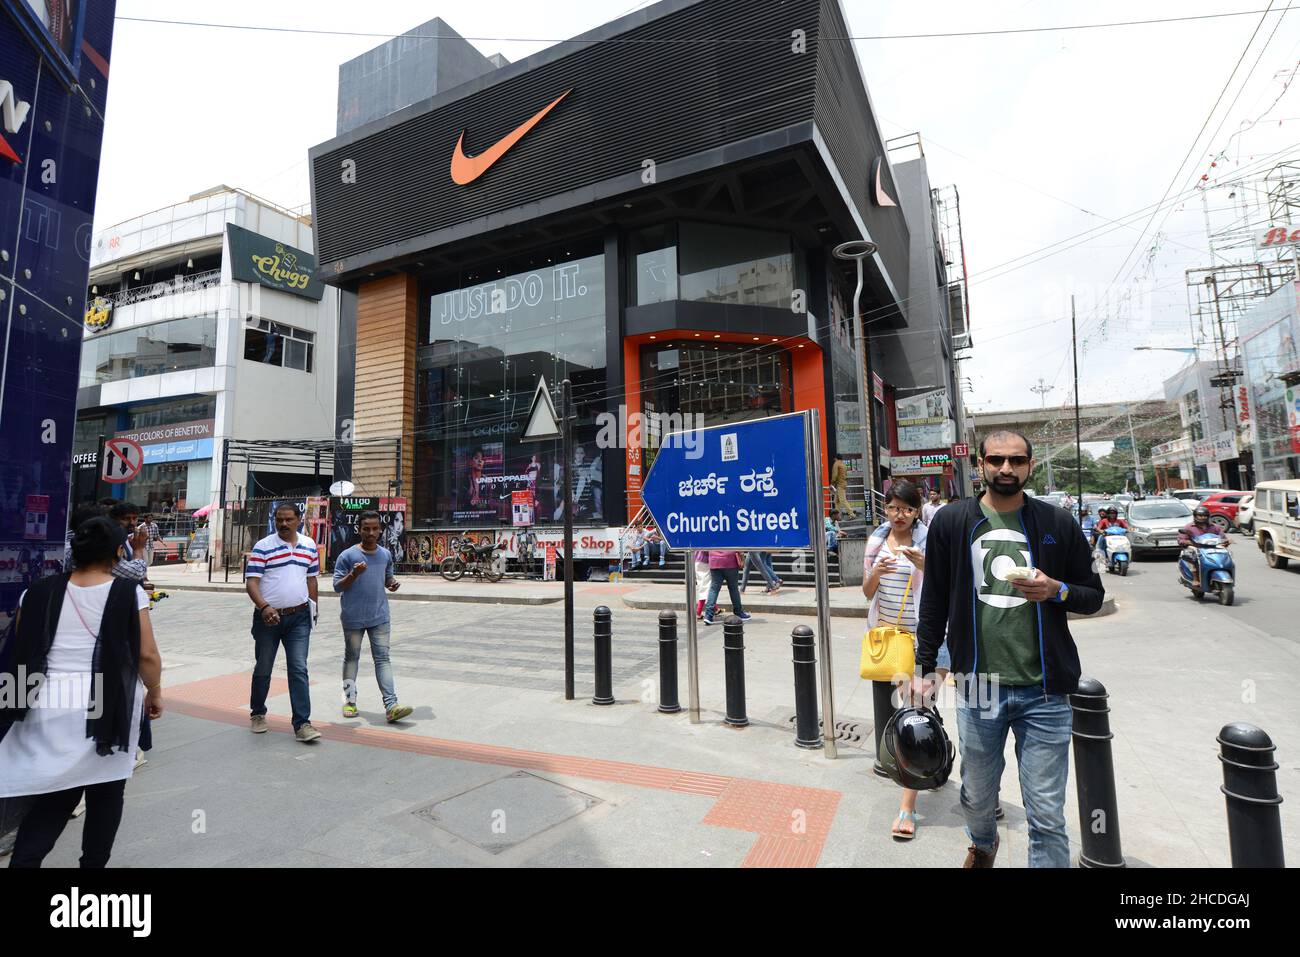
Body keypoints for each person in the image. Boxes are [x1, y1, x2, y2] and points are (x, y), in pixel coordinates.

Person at [912, 430, 1104, 868]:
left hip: (1046, 692)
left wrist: (1057, 591)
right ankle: (982, 843)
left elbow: (1092, 594)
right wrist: (925, 667)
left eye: (1016, 461)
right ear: (980, 464)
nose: (1005, 468)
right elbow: (934, 600)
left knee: (1047, 815)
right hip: (979, 687)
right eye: (996, 459)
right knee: (977, 798)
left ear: (1029, 466)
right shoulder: (952, 522)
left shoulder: (1057, 523)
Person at [0, 517, 164, 867]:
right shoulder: (128, 592)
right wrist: (155, 692)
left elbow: (22, 649)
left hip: (46, 705)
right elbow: (147, 655)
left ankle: (24, 862)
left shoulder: (36, 592)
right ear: (118, 552)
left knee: (53, 799)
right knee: (106, 793)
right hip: (105, 705)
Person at [861, 480, 946, 840]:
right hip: (894, 643)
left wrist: (927, 565)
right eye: (894, 507)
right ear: (886, 507)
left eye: (908, 509)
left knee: (919, 710)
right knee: (916, 712)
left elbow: (949, 587)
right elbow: (866, 592)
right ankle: (927, 775)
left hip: (931, 640)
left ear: (918, 510)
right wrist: (877, 573)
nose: (900, 515)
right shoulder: (876, 542)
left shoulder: (932, 541)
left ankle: (914, 795)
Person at [245, 502, 322, 742]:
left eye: (289, 519)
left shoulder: (309, 546)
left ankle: (302, 723)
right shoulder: (263, 547)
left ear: (299, 520)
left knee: (299, 668)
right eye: (279, 519)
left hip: (299, 618)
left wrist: (313, 608)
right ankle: (257, 712)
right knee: (264, 667)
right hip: (268, 618)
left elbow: (312, 580)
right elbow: (252, 583)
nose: (283, 524)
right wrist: (264, 607)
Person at [332, 511, 413, 724]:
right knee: (352, 659)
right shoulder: (347, 556)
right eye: (366, 528)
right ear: (358, 529)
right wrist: (354, 574)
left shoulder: (385, 554)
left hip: (380, 616)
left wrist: (392, 584)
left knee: (383, 659)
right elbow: (337, 586)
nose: (370, 532)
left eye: (375, 528)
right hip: (353, 618)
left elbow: (387, 579)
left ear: (380, 530)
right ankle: (349, 701)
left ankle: (391, 705)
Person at [702, 550, 750, 626]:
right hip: (730, 561)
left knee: (714, 589)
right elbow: (738, 547)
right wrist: (742, 558)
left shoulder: (712, 536)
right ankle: (739, 612)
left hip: (715, 561)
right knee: (733, 589)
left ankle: (708, 615)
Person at [1177, 505, 1218, 588]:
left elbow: (1222, 537)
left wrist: (1226, 541)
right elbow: (1181, 539)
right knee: (1192, 555)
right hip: (1196, 548)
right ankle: (1195, 578)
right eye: (1200, 515)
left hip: (1211, 548)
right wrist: (1188, 542)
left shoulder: (1214, 527)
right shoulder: (1189, 527)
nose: (1202, 518)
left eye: (1205, 516)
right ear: (1195, 516)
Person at [693, 549, 711, 620]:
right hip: (705, 561)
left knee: (703, 586)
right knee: (705, 587)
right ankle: (698, 612)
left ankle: (715, 609)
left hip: (697, 561)